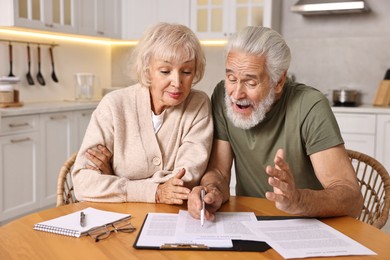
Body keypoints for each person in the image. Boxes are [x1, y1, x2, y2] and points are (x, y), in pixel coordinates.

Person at [187, 26, 363, 220]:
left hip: (310, 223)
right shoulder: (222, 96)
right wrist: (211, 191)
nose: (237, 94)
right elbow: (219, 171)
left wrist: (298, 200)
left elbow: (351, 198)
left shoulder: (310, 105)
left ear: (278, 82)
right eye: (231, 78)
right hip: (251, 222)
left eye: (250, 83)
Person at [72, 22, 213, 204]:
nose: (177, 82)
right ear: (148, 69)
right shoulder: (114, 105)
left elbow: (185, 179)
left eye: (186, 71)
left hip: (170, 218)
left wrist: (113, 177)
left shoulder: (198, 105)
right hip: (116, 219)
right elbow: (83, 183)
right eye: (165, 71)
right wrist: (155, 191)